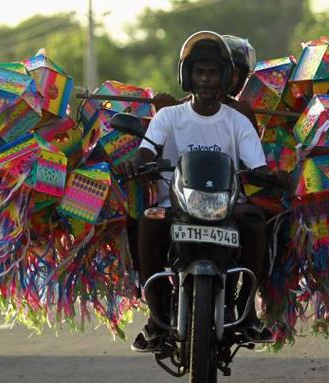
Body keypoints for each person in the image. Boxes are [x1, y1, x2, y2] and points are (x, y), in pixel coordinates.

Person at [114, 31, 274, 352]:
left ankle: (247, 312)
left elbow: (256, 165)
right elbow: (148, 150)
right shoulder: (168, 116)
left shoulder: (238, 120)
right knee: (148, 218)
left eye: (213, 72)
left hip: (227, 208)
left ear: (225, 78)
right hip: (176, 206)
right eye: (199, 72)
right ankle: (157, 316)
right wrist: (134, 163)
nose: (205, 79)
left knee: (255, 219)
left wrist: (273, 176)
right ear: (187, 75)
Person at [151, 34, 258, 131]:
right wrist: (162, 117)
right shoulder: (174, 109)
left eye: (235, 73)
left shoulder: (242, 111)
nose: (206, 78)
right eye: (201, 71)